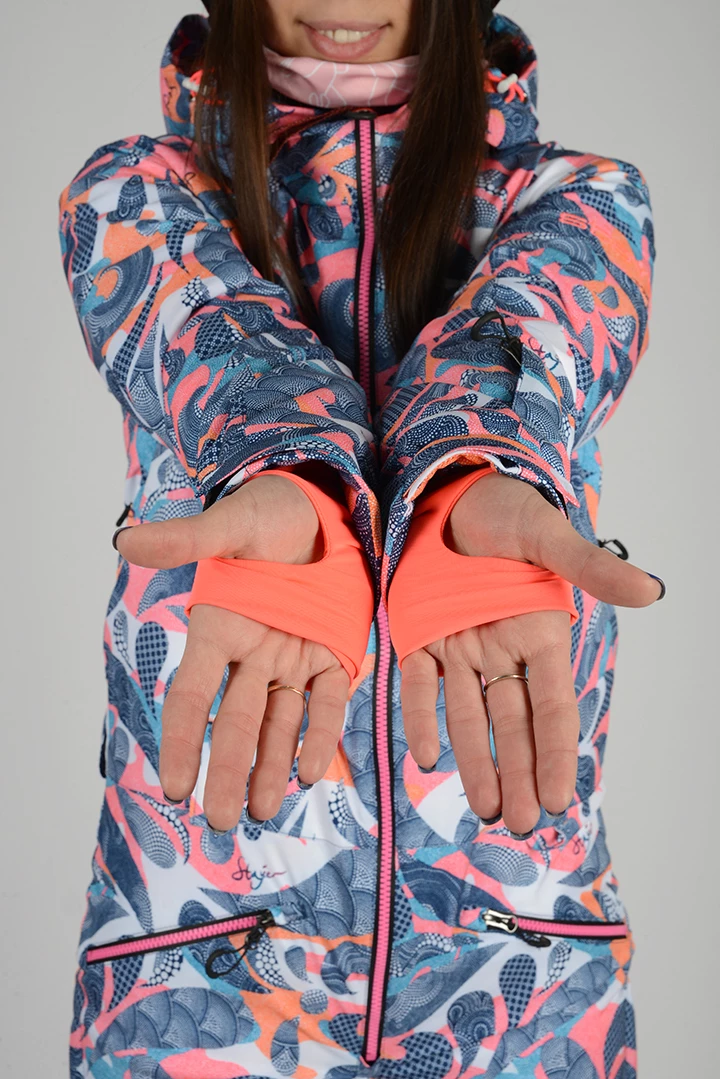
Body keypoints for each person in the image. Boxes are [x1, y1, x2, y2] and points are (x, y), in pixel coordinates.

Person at [58, 1, 661, 1075]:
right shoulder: (139, 191)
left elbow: (522, 334)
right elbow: (215, 335)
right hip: (199, 965)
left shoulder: (581, 200)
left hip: (518, 976)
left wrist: (471, 478)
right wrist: (293, 480)